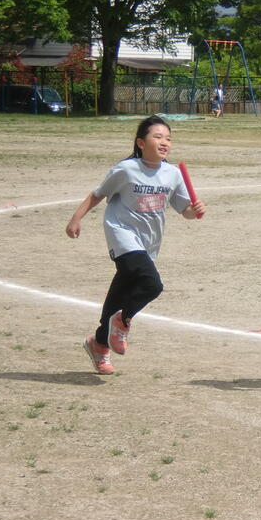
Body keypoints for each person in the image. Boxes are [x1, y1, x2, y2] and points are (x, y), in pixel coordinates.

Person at [65, 115, 206, 375]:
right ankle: (123, 321)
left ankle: (99, 344)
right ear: (141, 142)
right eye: (157, 137)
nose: (164, 142)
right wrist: (76, 218)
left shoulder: (173, 173)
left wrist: (194, 210)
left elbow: (184, 210)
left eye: (168, 138)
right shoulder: (127, 169)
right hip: (122, 233)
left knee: (122, 290)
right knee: (152, 284)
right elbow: (98, 194)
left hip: (149, 241)